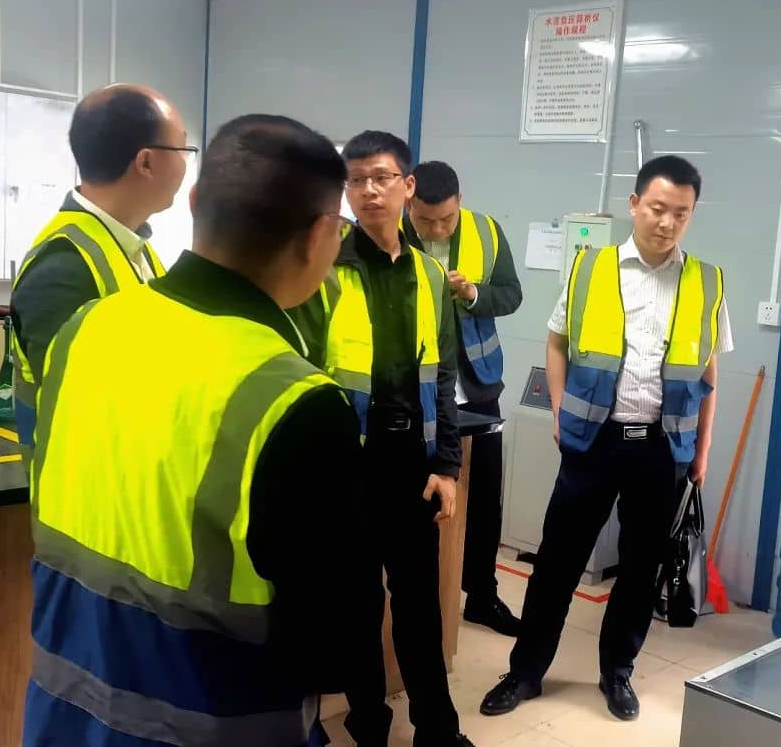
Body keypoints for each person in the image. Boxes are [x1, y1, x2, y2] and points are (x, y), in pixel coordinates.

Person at [23, 114, 377, 746]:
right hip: (210, 723)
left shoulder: (86, 329)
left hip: (64, 711)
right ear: (323, 234)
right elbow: (336, 647)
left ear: (192, 203)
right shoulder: (293, 400)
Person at [480, 155, 733, 722]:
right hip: (592, 443)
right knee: (557, 563)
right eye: (658, 208)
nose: (667, 222)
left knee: (640, 572)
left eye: (681, 213)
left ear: (692, 215)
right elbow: (556, 341)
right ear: (635, 205)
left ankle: (617, 673)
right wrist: (559, 411)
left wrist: (702, 452)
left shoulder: (707, 281)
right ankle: (525, 673)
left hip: (662, 450)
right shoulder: (590, 268)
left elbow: (710, 373)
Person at [292, 131, 475, 747]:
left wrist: (447, 467)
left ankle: (437, 730)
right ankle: (368, 725)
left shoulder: (429, 273)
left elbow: (444, 376)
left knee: (420, 608)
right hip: (347, 469)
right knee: (357, 608)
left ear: (407, 186)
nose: (369, 191)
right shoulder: (323, 270)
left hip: (412, 466)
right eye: (357, 180)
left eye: (382, 177)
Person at [9, 83, 193, 473]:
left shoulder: (134, 249)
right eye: (183, 149)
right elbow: (84, 400)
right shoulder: (64, 265)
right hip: (87, 495)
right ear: (146, 163)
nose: (186, 164)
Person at [404, 160, 523, 636]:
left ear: (460, 204)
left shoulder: (486, 232)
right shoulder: (386, 235)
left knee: (484, 499)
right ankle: (422, 599)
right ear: (408, 200)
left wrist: (474, 293)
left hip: (477, 386)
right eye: (424, 219)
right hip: (416, 389)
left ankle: (482, 595)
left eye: (446, 219)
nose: (436, 229)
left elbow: (511, 295)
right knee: (419, 496)